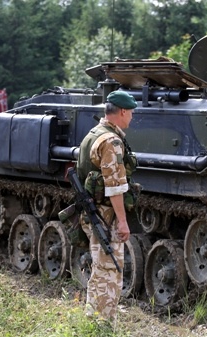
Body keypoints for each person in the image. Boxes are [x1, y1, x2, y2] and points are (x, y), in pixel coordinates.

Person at [76, 90, 138, 325]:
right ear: (122, 112)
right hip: (106, 214)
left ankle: (95, 315)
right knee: (110, 268)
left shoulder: (94, 134)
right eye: (130, 113)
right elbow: (115, 187)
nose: (131, 117)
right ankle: (103, 323)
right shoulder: (111, 141)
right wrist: (122, 221)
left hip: (94, 211)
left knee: (101, 265)